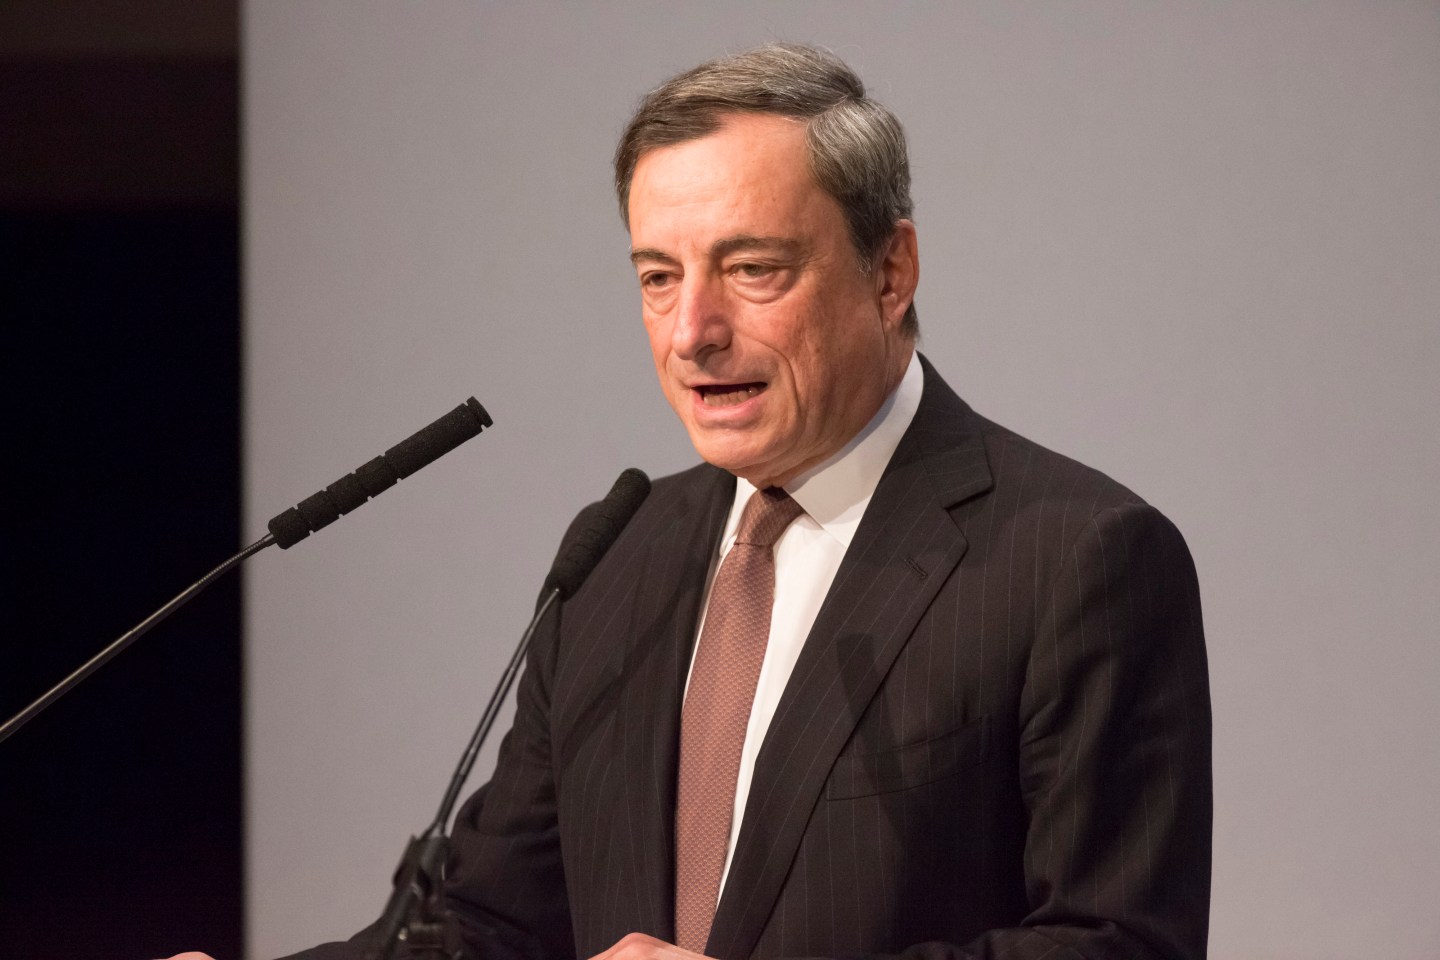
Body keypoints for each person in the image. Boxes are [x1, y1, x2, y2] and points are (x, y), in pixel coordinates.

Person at [174, 42, 1211, 960]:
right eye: (658, 277)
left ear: (891, 271)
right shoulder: (616, 559)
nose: (691, 333)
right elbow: (492, 925)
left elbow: (1120, 944)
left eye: (751, 269)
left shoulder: (1076, 559)